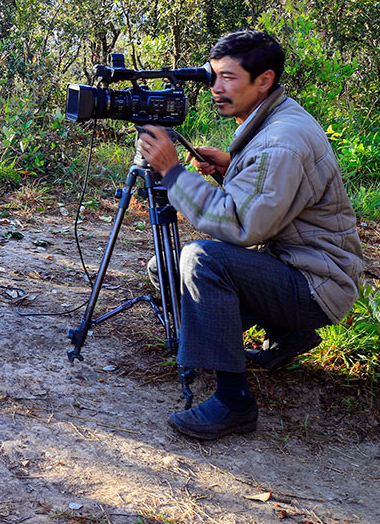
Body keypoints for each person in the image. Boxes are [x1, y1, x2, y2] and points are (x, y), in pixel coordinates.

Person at [139, 29, 363, 440]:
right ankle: (287, 333)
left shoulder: (282, 140)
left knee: (201, 260)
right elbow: (277, 200)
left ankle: (234, 403)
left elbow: (241, 226)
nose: (216, 88)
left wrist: (172, 173)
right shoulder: (275, 119)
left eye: (228, 78)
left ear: (265, 80)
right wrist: (231, 166)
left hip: (318, 285)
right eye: (214, 76)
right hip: (295, 266)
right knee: (165, 268)